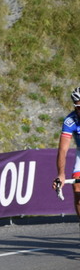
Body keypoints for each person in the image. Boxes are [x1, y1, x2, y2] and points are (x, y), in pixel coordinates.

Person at [53, 86, 80, 232]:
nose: (79, 110)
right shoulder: (70, 121)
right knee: (77, 187)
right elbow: (63, 150)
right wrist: (61, 174)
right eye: (77, 107)